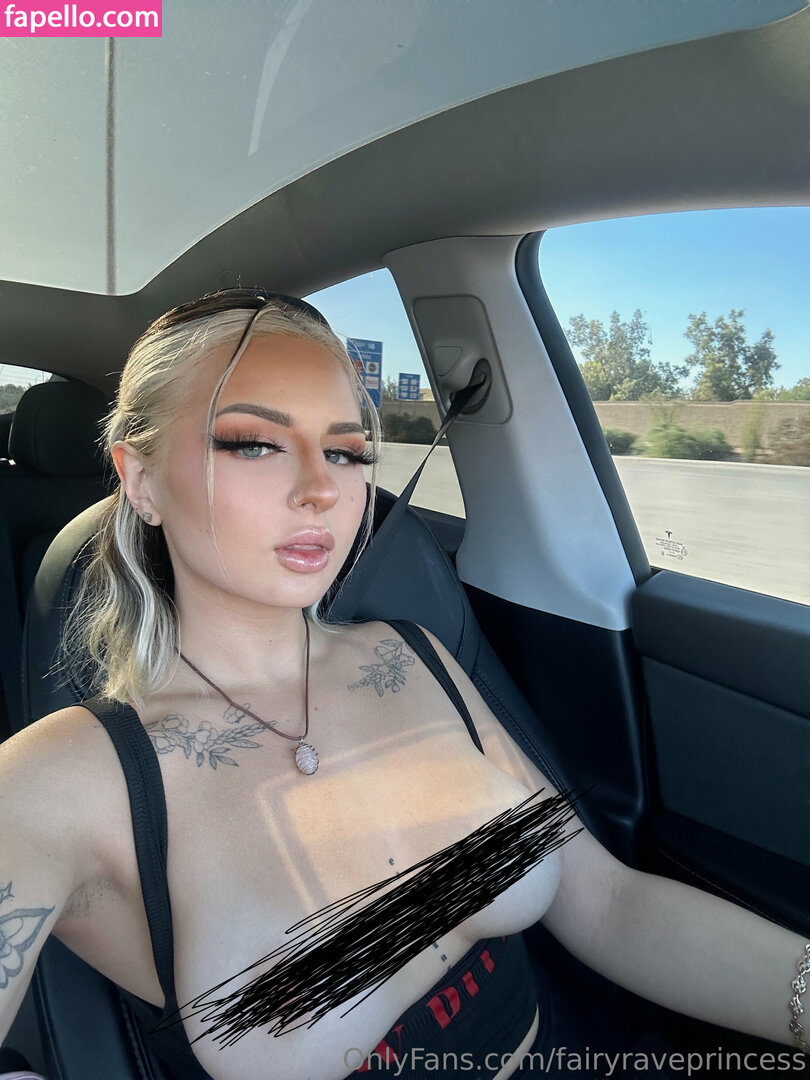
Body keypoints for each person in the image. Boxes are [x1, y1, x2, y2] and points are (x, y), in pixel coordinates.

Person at [0, 289, 807, 1080]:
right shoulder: (60, 781)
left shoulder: (415, 657)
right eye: (254, 443)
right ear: (139, 479)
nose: (323, 489)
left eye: (347, 452)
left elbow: (610, 906)